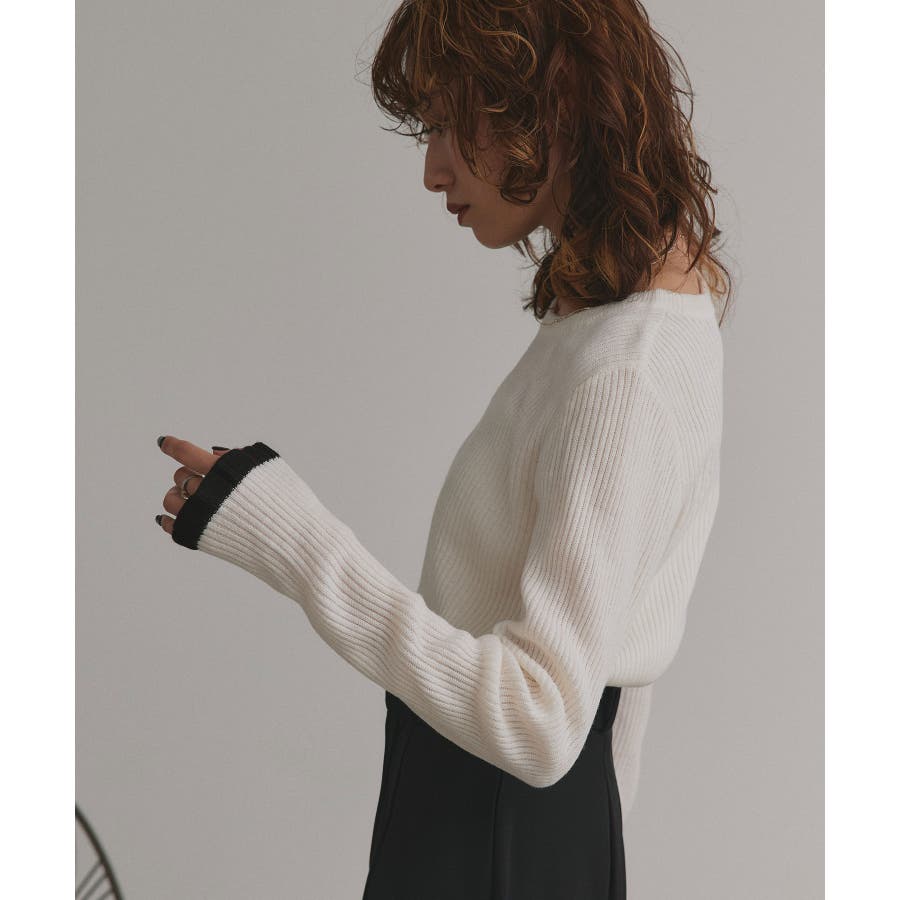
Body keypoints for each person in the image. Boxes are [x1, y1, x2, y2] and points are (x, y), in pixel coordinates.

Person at [155, 1, 730, 897]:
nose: (433, 170)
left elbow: (540, 722)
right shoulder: (625, 326)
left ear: (553, 101)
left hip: (491, 827)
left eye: (451, 125)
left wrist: (297, 540)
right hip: (502, 827)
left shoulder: (627, 371)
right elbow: (612, 674)